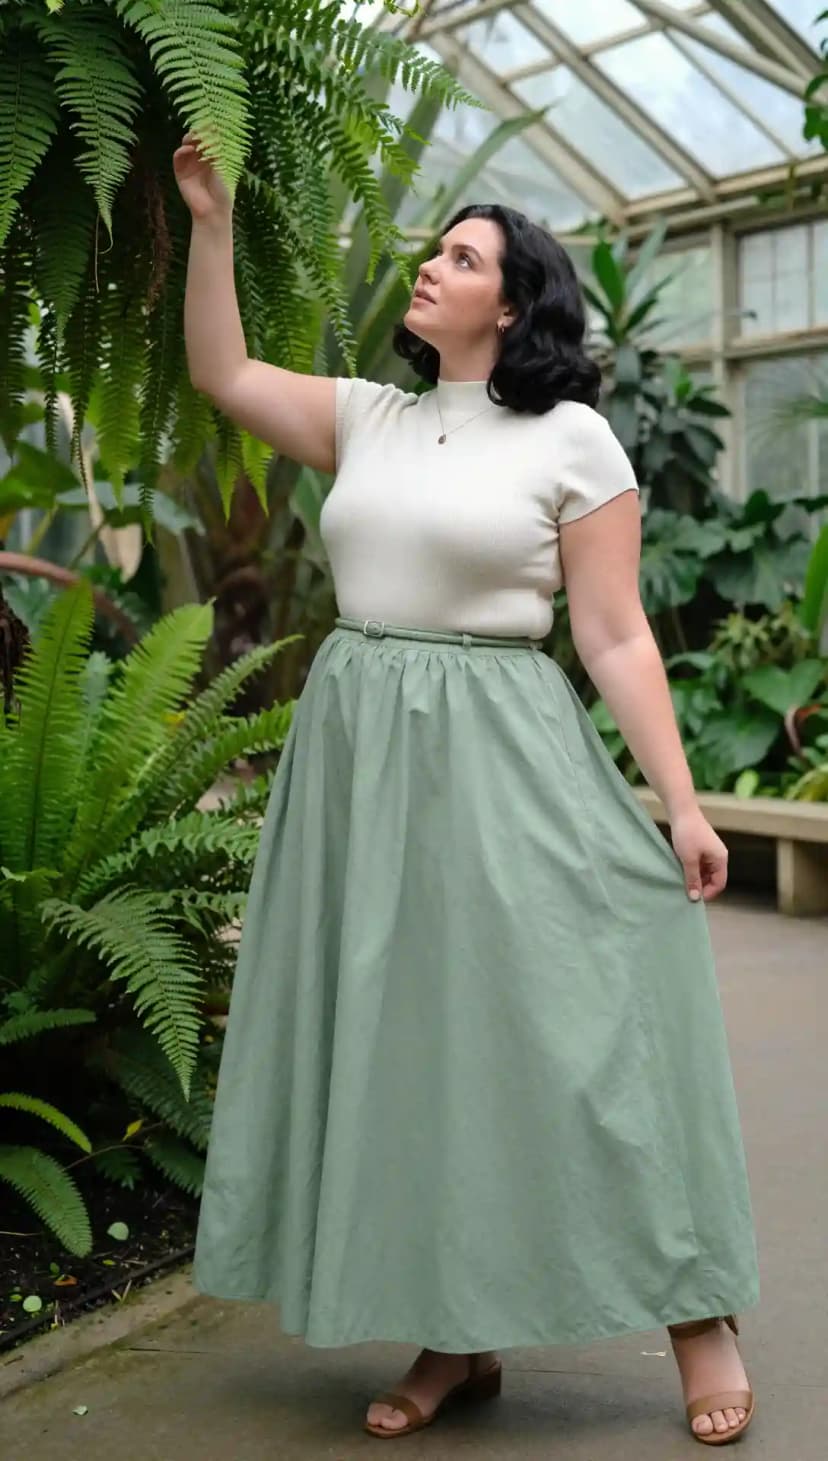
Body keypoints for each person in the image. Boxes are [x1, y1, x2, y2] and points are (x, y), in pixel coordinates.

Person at [174, 132, 759, 1447]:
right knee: (416, 1047)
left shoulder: (573, 437)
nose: (429, 268)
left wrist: (682, 800)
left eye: (462, 255)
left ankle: (698, 1306)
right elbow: (219, 369)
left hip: (501, 745)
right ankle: (457, 1331)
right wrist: (210, 223)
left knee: (586, 1013)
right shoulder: (366, 417)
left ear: (515, 299)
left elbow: (613, 635)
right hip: (360, 755)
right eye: (435, 250)